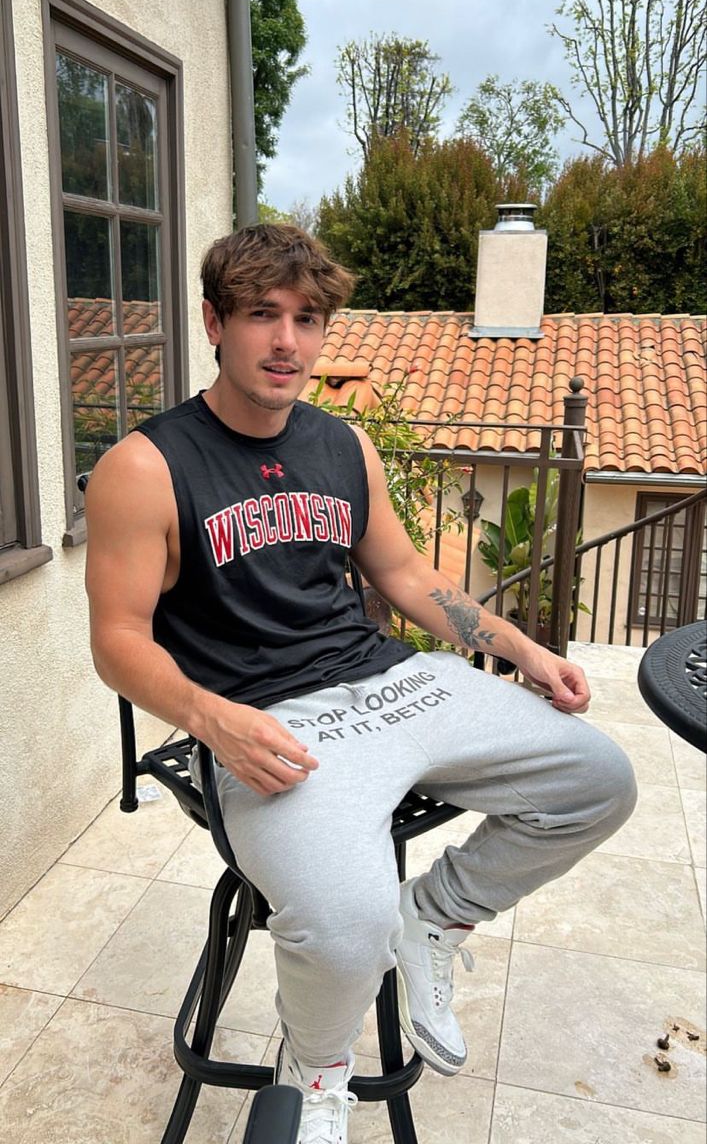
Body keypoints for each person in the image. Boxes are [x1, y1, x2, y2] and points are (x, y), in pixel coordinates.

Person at [85, 223, 637, 1144]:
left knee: (598, 780)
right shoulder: (145, 468)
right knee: (342, 922)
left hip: (389, 682)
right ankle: (317, 1067)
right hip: (263, 719)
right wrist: (208, 720)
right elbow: (116, 642)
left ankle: (433, 919)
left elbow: (408, 579)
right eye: (262, 315)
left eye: (307, 319)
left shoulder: (343, 447)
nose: (286, 342)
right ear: (215, 323)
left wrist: (522, 648)